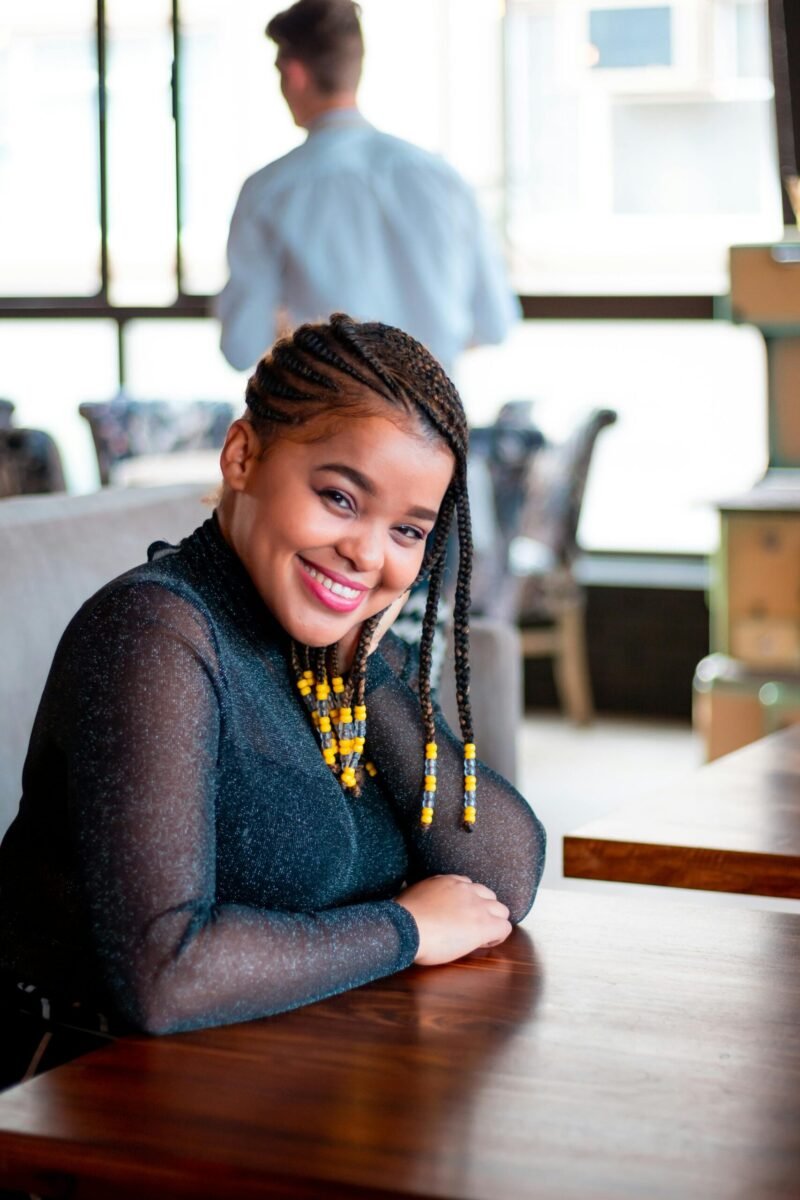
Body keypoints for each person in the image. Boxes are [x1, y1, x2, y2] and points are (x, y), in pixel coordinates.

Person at [0, 316, 545, 1087]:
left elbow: (502, 877)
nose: (367, 553)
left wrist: (368, 655)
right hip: (92, 1104)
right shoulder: (156, 634)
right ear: (243, 456)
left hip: (280, 1080)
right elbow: (166, 975)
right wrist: (406, 927)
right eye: (340, 498)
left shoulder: (326, 647)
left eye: (408, 531)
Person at [216, 0, 520, 376]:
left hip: (329, 425)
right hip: (436, 425)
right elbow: (495, 324)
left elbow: (240, 345)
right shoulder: (444, 179)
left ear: (294, 74)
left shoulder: (269, 191)